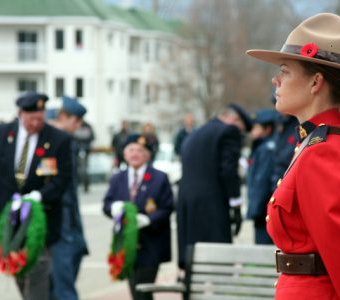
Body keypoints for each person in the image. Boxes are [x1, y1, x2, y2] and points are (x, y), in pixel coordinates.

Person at [247, 13, 340, 299]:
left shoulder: (324, 151)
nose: (276, 80)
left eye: (284, 70)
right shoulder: (324, 140)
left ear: (315, 83)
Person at [0, 92, 72, 300]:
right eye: (31, 119)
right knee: (18, 271)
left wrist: (39, 196)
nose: (36, 123)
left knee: (37, 271)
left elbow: (62, 179)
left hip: (41, 218)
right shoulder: (1, 134)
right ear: (20, 114)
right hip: (8, 218)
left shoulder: (58, 140)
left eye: (40, 118)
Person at [176, 104, 251, 269]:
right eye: (241, 129)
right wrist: (236, 204)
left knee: (193, 262)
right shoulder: (228, 132)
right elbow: (228, 171)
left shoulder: (194, 134)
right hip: (212, 207)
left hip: (187, 205)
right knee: (217, 265)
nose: (240, 134)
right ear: (234, 119)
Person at [102, 134, 174, 300]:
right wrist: (113, 208)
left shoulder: (158, 178)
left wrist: (149, 219)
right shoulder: (118, 178)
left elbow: (167, 207)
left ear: (147, 155)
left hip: (151, 245)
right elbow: (107, 204)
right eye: (131, 150)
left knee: (143, 292)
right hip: (127, 246)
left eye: (140, 151)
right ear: (125, 154)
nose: (135, 154)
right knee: (135, 291)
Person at [50, 96, 89, 300]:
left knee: (77, 252)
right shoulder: (50, 140)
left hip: (70, 215)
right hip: (57, 217)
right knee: (61, 284)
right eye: (76, 121)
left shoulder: (68, 142)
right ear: (64, 117)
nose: (79, 126)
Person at [246, 108, 277, 244]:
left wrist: (255, 210)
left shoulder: (266, 150)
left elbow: (261, 182)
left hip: (263, 213)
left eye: (256, 127)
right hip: (262, 211)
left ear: (267, 129)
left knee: (263, 247)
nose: (252, 131)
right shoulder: (261, 147)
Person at [74, 119, 95, 192]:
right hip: (77, 150)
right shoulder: (76, 125)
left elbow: (92, 137)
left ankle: (85, 185)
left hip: (85, 150)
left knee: (84, 169)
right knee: (77, 168)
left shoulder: (87, 126)